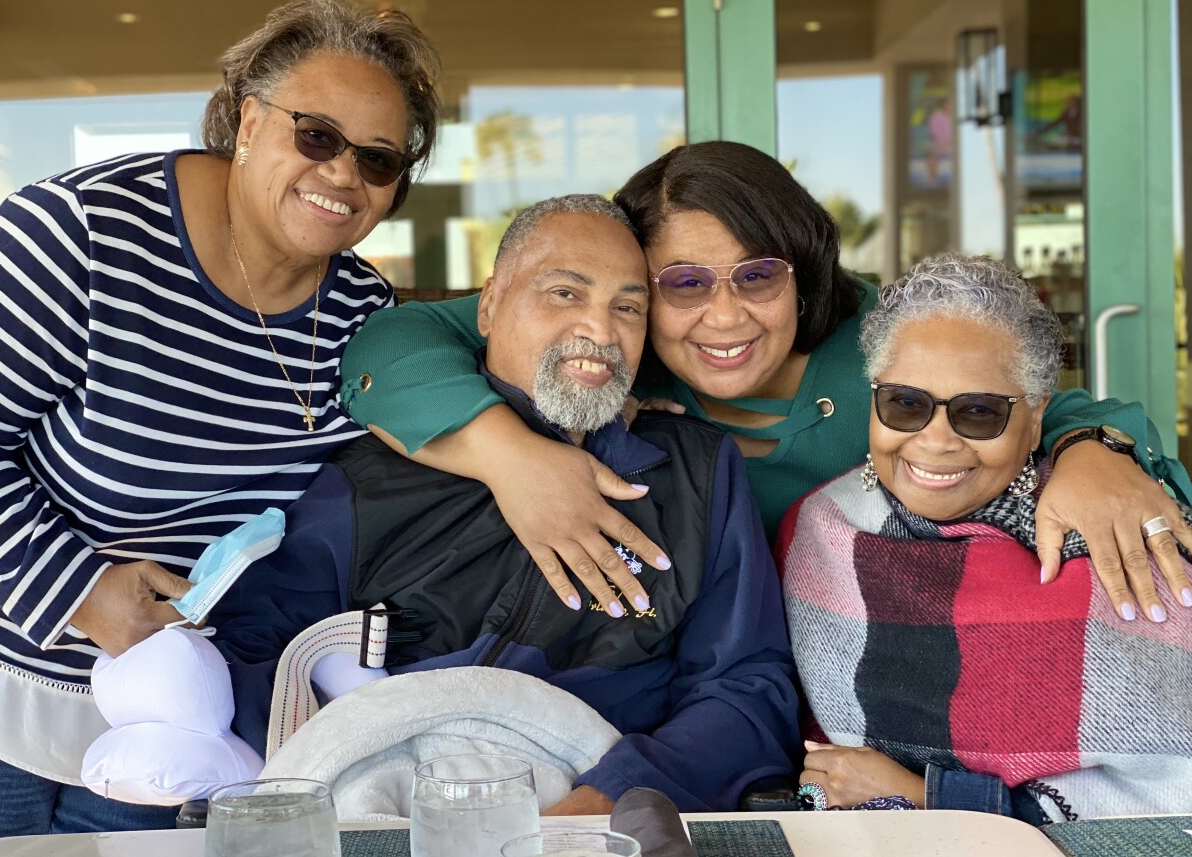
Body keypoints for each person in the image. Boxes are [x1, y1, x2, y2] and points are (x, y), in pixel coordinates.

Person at [0, 0, 439, 857]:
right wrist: (77, 590)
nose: (344, 174)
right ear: (243, 119)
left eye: (379, 160)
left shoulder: (363, 312)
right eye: (316, 135)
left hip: (181, 713)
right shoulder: (80, 234)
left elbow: (462, 380)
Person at [337, 141, 1192, 627]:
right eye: (683, 284)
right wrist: (511, 459)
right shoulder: (606, 336)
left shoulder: (881, 350)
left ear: (804, 272)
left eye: (757, 277)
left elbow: (1023, 399)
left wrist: (1090, 447)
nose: (725, 318)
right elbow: (392, 341)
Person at [212, 195, 802, 814]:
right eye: (565, 294)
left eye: (627, 307)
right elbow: (256, 649)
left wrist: (612, 796)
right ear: (489, 305)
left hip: (604, 821)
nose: (599, 332)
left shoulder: (695, 472)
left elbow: (746, 688)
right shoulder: (374, 473)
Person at [779, 255, 1192, 822]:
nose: (936, 440)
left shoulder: (1112, 534)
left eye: (978, 413)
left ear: (1037, 415)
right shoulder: (823, 529)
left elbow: (1171, 795)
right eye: (906, 404)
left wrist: (936, 797)